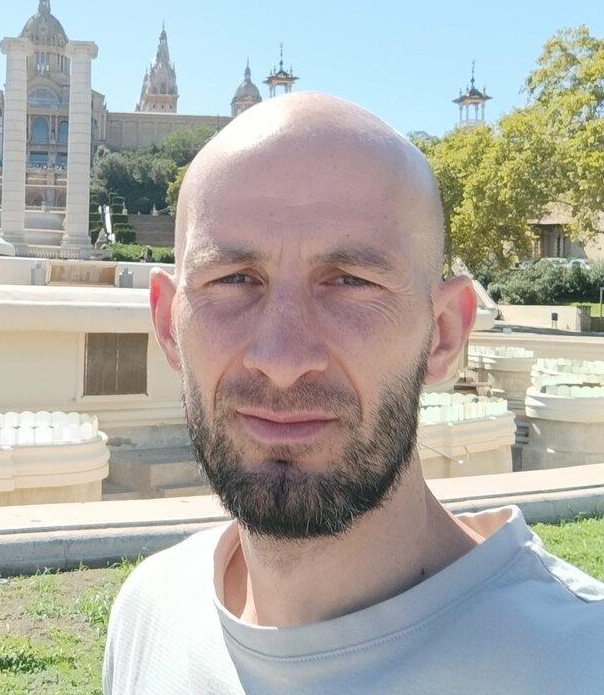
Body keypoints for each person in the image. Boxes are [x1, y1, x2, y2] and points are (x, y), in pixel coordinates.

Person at [102, 92, 604, 694]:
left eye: (349, 281)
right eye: (234, 279)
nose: (283, 361)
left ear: (444, 334)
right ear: (168, 325)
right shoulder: (149, 614)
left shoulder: (581, 664)